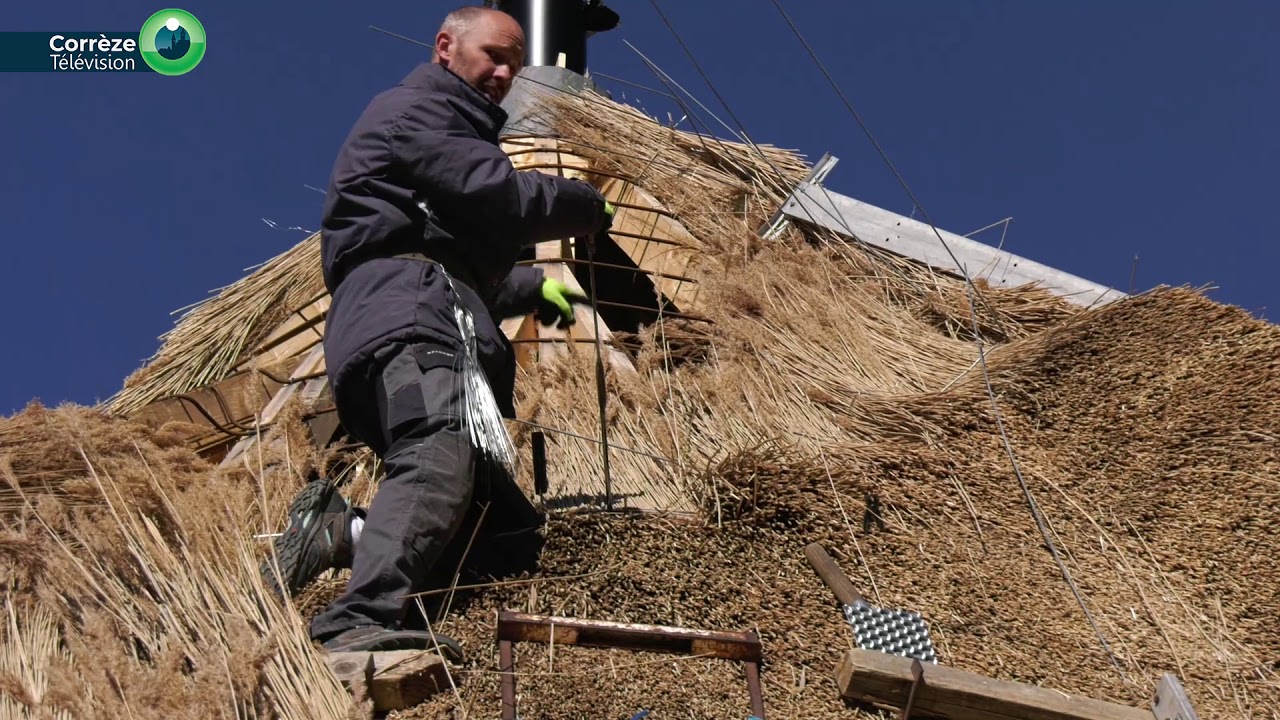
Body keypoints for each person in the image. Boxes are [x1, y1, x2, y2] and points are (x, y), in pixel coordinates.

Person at [261, 5, 614, 657]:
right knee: (437, 449)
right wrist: (583, 204)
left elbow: (463, 263)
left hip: (424, 311)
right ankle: (357, 622)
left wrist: (542, 288)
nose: (505, 72)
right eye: (495, 55)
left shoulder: (450, 145)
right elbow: (493, 194)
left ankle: (344, 533)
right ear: (446, 46)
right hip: (409, 317)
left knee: (500, 532)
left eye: (515, 61)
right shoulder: (415, 110)